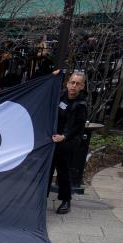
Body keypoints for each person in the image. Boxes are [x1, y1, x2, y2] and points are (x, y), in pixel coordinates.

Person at [51, 70, 87, 214]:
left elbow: (78, 127)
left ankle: (66, 200)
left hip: (67, 142)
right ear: (68, 83)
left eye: (77, 84)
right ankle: (42, 196)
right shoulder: (60, 95)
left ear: (82, 86)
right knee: (47, 169)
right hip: (53, 138)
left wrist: (64, 136)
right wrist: (52, 77)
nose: (73, 86)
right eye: (72, 82)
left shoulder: (81, 105)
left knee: (63, 172)